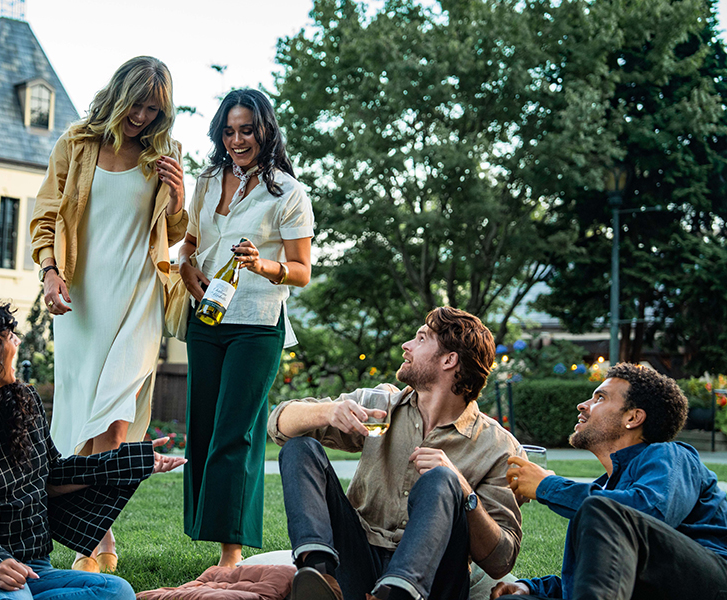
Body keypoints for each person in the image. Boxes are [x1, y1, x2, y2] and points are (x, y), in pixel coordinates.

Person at [0, 299, 186, 600]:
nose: (18, 341)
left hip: (36, 567)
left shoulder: (24, 405)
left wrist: (131, 461)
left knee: (118, 591)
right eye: (7, 335)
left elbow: (52, 473)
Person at [29, 55, 187, 572]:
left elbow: (178, 232)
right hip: (83, 299)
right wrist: (49, 272)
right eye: (137, 104)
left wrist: (180, 194)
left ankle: (88, 542)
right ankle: (98, 534)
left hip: (140, 295)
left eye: (153, 109)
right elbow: (46, 214)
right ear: (119, 94)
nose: (142, 117)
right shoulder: (75, 144)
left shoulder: (165, 154)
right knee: (84, 420)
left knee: (116, 417)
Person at [269, 307, 523, 600]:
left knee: (443, 478)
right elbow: (278, 425)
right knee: (301, 447)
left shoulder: (498, 447)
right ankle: (319, 576)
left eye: (421, 338)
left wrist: (462, 489)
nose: (407, 345)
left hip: (434, 579)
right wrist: (327, 411)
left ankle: (398, 592)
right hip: (358, 562)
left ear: (449, 360)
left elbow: (500, 559)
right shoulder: (379, 406)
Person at [176, 88, 314, 568]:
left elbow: (301, 270)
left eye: (247, 130)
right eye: (229, 131)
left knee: (236, 432)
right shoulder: (207, 180)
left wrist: (263, 265)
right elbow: (190, 243)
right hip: (207, 318)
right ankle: (207, 532)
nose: (237, 140)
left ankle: (230, 553)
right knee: (203, 431)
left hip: (256, 323)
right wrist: (186, 268)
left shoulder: (289, 192)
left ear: (265, 131)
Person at [491, 363, 727, 600]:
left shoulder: (671, 456)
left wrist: (547, 485)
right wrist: (533, 588)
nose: (583, 405)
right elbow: (605, 576)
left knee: (601, 508)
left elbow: (650, 511)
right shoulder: (606, 491)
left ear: (633, 417)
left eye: (600, 398)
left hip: (710, 583)